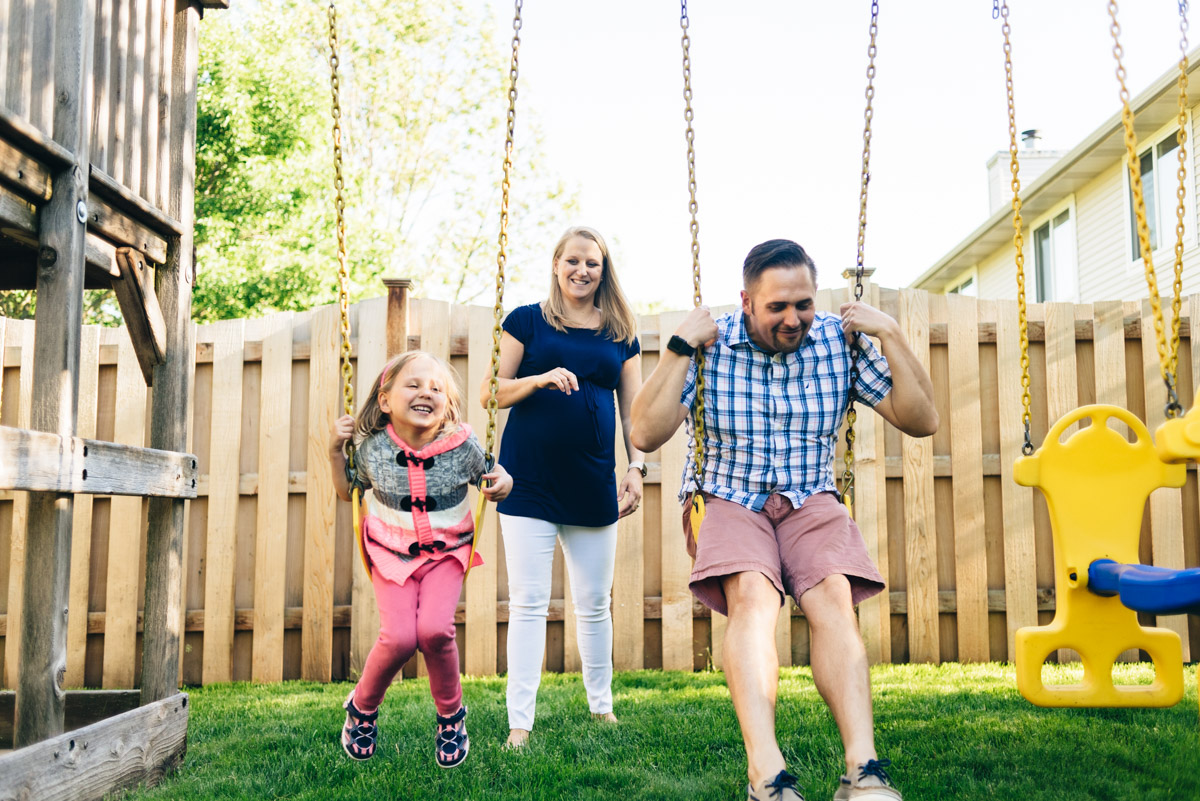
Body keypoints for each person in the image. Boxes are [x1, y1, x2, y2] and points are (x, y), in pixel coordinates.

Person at [631, 239, 937, 801]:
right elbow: (644, 434)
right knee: (753, 597)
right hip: (726, 495)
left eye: (803, 304)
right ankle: (766, 774)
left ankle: (862, 771)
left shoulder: (837, 342)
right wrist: (678, 346)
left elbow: (922, 420)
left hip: (810, 495)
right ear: (747, 301)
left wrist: (889, 333)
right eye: (778, 307)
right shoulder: (709, 346)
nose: (794, 319)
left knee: (832, 597)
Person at [483, 226, 645, 749]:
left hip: (592, 480)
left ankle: (603, 708)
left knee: (594, 602)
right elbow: (492, 392)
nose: (582, 271)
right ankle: (519, 725)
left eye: (592, 263)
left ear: (604, 269)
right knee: (529, 602)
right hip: (525, 482)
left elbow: (635, 414)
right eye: (572, 261)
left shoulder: (620, 331)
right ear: (556, 264)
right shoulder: (527, 320)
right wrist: (538, 378)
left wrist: (636, 467)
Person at [329, 351, 512, 768]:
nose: (426, 392)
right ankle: (362, 707)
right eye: (413, 385)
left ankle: (451, 717)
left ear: (447, 403)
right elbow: (347, 491)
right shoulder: (372, 449)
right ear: (386, 398)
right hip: (391, 552)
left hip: (447, 552)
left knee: (434, 631)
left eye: (436, 388)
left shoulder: (462, 445)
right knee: (398, 638)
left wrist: (505, 481)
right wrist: (333, 452)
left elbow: (494, 475)